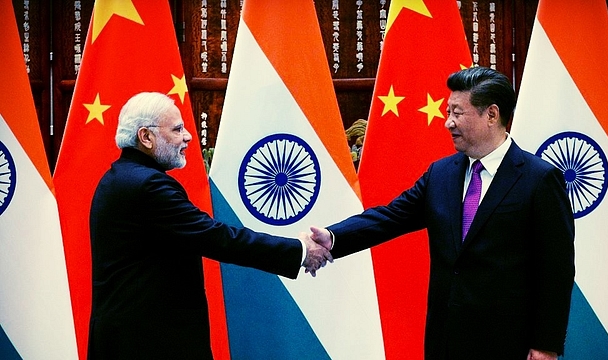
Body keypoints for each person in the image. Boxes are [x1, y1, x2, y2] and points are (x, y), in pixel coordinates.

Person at [311, 67, 575, 360]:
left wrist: (546, 345)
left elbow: (556, 271)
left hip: (508, 342)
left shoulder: (539, 180)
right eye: (448, 111)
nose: (448, 122)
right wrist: (333, 237)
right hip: (445, 339)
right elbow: (390, 217)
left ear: (491, 114)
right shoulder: (441, 174)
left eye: (457, 113)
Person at [88, 92, 332, 359]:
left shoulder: (117, 177)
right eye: (177, 129)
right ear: (146, 137)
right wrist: (300, 251)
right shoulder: (148, 186)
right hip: (149, 343)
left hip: (128, 338)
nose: (188, 136)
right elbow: (217, 238)